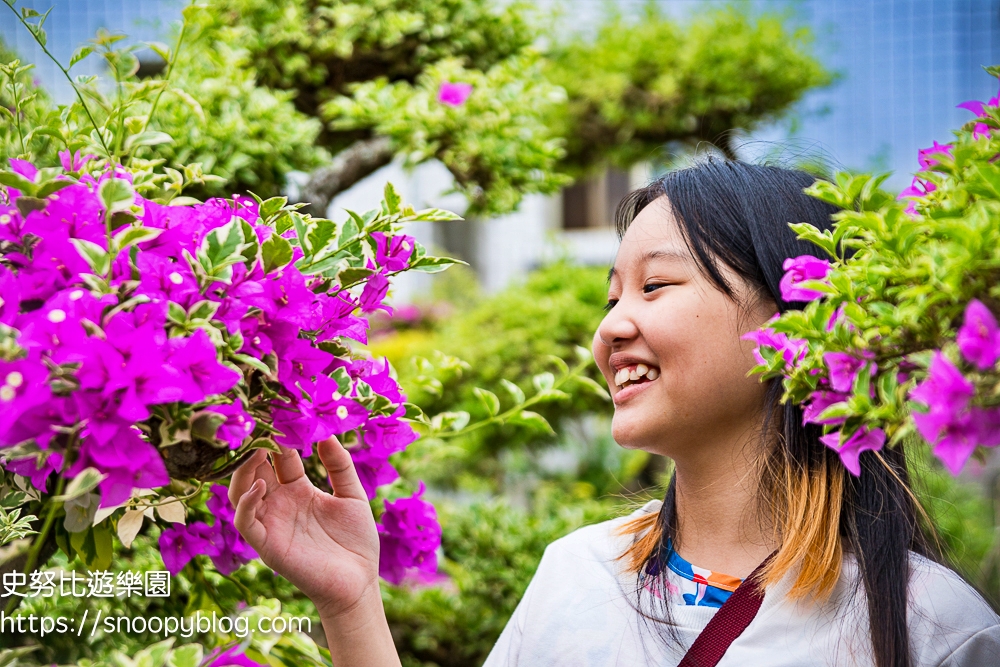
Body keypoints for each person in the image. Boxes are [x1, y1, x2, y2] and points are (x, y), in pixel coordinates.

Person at [228, 158, 1000, 667]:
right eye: (610, 296)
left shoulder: (940, 631)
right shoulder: (578, 573)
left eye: (655, 286)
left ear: (799, 317)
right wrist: (352, 599)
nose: (609, 329)